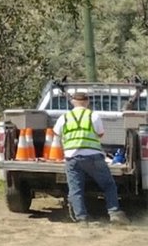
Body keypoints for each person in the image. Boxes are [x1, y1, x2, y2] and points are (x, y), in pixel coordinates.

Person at [52, 90, 129, 225]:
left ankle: (82, 219)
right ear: (87, 102)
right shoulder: (93, 116)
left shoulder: (64, 118)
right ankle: (114, 213)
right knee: (109, 185)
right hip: (93, 157)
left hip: (72, 158)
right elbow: (100, 134)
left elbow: (56, 135)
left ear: (72, 102)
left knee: (76, 190)